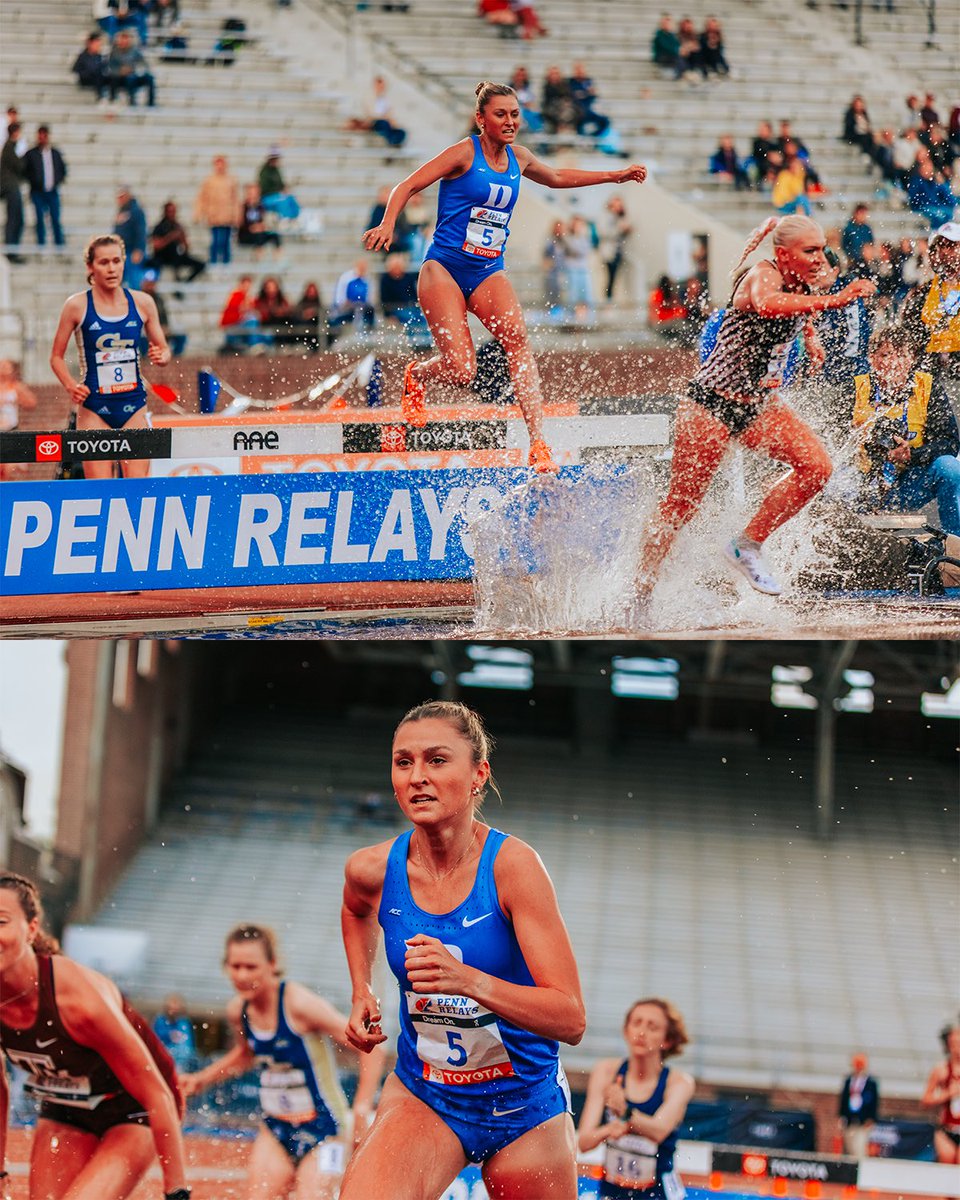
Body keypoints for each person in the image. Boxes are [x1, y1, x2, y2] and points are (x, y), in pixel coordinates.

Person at [339, 699, 586, 1200]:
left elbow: (570, 1019)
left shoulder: (514, 868)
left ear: (478, 774)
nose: (417, 777)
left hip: (524, 1108)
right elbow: (355, 910)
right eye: (403, 762)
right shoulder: (371, 869)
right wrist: (361, 988)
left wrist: (467, 979)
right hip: (426, 1095)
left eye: (436, 760)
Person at [362, 80, 647, 471]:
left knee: (518, 341)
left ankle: (539, 444)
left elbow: (558, 177)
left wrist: (613, 176)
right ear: (482, 119)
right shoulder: (463, 152)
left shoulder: (521, 157)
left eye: (515, 114)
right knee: (463, 372)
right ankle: (418, 373)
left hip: (486, 271)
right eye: (501, 114)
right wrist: (388, 223)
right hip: (443, 268)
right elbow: (408, 184)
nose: (510, 121)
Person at [635, 215, 876, 599]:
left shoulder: (804, 279)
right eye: (809, 251)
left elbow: (798, 307)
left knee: (816, 468)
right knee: (682, 505)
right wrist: (836, 300)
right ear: (783, 254)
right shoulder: (762, 276)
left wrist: (810, 335)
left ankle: (746, 545)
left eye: (821, 250)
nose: (819, 258)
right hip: (711, 404)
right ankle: (640, 589)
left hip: (758, 405)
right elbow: (768, 303)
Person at [0, 871, 190, 1200]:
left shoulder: (74, 1000)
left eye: (0, 921)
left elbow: (156, 1092)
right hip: (66, 1106)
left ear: (31, 929)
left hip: (135, 1108)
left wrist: (177, 1191)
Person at [180, 924, 384, 1200]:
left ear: (272, 964)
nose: (241, 975)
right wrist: (201, 1079)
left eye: (251, 967)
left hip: (325, 1128)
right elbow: (246, 1055)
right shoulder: (238, 1011)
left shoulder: (298, 1004)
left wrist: (360, 1107)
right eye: (235, 966)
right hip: (277, 1127)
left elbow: (369, 1046)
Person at [49, 232, 171, 479]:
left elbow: (164, 348)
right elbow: (56, 357)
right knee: (102, 492)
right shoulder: (77, 305)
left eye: (117, 261)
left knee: (137, 490)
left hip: (134, 405)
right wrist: (71, 386)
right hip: (94, 408)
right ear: (90, 267)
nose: (112, 268)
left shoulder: (143, 302)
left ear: (124, 262)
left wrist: (162, 355)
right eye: (104, 262)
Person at [577, 998, 695, 1199]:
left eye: (652, 1027)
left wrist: (625, 1113)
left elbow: (658, 1131)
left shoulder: (679, 1083)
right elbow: (585, 1142)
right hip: (612, 1191)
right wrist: (609, 1129)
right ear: (626, 1031)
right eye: (637, 1023)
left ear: (667, 1040)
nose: (642, 1032)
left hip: (659, 1193)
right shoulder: (606, 1072)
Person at [849, 325, 960, 535]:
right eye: (887, 355)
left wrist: (911, 455)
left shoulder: (927, 386)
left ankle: (955, 544)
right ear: (873, 359)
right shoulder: (856, 388)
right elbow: (832, 442)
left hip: (907, 485)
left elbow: (950, 442)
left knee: (950, 467)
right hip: (862, 484)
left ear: (912, 360)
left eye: (902, 355)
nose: (895, 363)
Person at [901, 221, 960, 383]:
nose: (947, 252)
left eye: (953, 246)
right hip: (932, 371)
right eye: (942, 246)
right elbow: (909, 334)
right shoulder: (922, 292)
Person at [23, 125, 67, 248]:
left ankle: (59, 245)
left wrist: (57, 181)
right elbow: (26, 171)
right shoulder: (31, 154)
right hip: (38, 192)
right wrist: (35, 181)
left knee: (55, 219)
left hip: (52, 191)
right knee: (39, 220)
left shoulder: (55, 153)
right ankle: (41, 245)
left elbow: (62, 170)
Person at [922, 1023, 960, 1165]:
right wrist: (947, 1093)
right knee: (947, 1164)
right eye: (954, 1043)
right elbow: (925, 1100)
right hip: (946, 1129)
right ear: (948, 1045)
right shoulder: (941, 1070)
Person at [193, 155, 240, 266]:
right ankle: (213, 263)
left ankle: (226, 264)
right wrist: (199, 213)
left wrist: (237, 215)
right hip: (214, 215)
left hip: (227, 216)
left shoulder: (231, 180)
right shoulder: (209, 181)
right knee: (216, 241)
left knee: (225, 242)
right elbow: (202, 198)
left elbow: (235, 199)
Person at [0, 358, 37, 480]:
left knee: (12, 466)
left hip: (11, 429)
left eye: (6, 366)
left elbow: (32, 403)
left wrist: (18, 399)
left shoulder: (16, 386)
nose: (2, 368)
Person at [149, 201, 205, 282]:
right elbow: (156, 246)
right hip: (162, 257)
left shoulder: (178, 227)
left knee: (200, 265)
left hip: (175, 257)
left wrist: (182, 238)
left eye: (174, 211)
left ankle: (185, 282)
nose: (172, 214)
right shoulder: (159, 227)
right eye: (170, 211)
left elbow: (186, 248)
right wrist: (170, 237)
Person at [837, 1052, 879, 1159]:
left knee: (859, 1147)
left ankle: (859, 1169)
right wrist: (841, 1116)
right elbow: (843, 1099)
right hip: (850, 1119)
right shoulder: (849, 1081)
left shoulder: (870, 1083)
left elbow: (874, 1102)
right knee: (849, 1147)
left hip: (862, 1121)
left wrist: (871, 1118)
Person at [107, 29, 157, 108]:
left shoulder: (135, 51)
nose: (124, 41)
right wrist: (121, 71)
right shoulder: (114, 53)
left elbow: (143, 64)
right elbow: (110, 67)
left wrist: (134, 70)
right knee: (129, 78)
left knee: (149, 78)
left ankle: (151, 103)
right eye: (122, 39)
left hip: (135, 75)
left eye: (126, 39)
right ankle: (132, 102)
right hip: (120, 78)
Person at [598, 195, 632, 303]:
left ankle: (611, 300)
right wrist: (619, 229)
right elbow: (604, 233)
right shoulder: (605, 216)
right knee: (610, 278)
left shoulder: (620, 217)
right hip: (609, 252)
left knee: (615, 279)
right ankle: (607, 301)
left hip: (618, 251)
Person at [152, 994, 197, 1074]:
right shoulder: (160, 1022)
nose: (173, 1010)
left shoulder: (184, 1023)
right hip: (162, 1061)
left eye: (176, 1008)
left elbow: (187, 1047)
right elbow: (155, 1042)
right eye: (170, 1008)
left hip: (180, 1064)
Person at [114, 185, 148, 288]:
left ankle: (135, 300)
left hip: (131, 250)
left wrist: (139, 249)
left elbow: (140, 231)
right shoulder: (122, 211)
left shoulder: (136, 211)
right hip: (121, 250)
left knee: (134, 279)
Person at [0, 122, 25, 260]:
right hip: (11, 187)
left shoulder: (9, 147)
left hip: (12, 186)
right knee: (15, 219)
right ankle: (12, 250)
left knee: (16, 219)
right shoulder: (10, 147)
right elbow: (19, 166)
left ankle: (13, 250)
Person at [238, 183, 282, 256]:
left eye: (255, 193)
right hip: (246, 234)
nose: (253, 195)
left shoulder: (261, 206)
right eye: (251, 193)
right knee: (259, 235)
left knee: (274, 235)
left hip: (259, 231)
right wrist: (253, 227)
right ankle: (258, 258)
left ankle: (278, 258)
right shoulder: (243, 206)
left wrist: (261, 226)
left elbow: (264, 221)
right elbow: (241, 223)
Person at [258, 148, 300, 221]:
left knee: (291, 199)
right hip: (267, 197)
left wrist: (285, 188)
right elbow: (264, 188)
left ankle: (294, 219)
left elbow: (281, 184)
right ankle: (285, 220)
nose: (276, 160)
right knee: (283, 201)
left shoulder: (276, 170)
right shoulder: (264, 172)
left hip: (277, 195)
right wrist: (279, 191)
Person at [72, 31, 111, 102]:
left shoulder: (100, 57)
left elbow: (105, 68)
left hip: (98, 78)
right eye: (97, 44)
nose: (99, 46)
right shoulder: (83, 56)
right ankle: (101, 96)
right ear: (90, 43)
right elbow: (75, 69)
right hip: (86, 78)